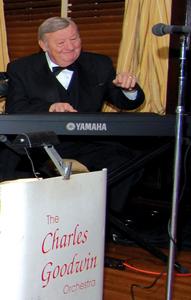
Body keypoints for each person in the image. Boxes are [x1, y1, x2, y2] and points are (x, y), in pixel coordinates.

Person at [5, 16, 145, 215]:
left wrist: (129, 89)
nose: (70, 47)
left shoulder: (99, 64)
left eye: (75, 39)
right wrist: (50, 108)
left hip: (87, 142)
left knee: (128, 161)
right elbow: (15, 109)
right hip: (42, 144)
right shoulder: (21, 68)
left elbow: (125, 102)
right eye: (61, 43)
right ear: (43, 45)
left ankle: (103, 219)